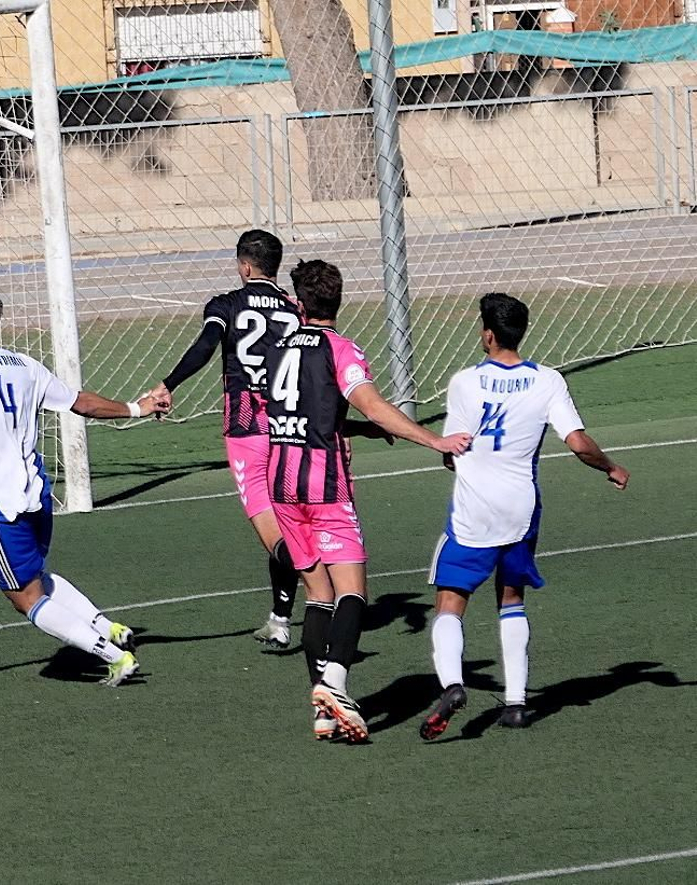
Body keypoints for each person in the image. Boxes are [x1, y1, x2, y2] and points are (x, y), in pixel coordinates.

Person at [0, 284, 165, 686]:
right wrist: (137, 406)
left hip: (2, 503)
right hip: (38, 497)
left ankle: (114, 655)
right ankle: (107, 627)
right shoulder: (25, 365)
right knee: (36, 576)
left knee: (24, 597)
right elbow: (81, 402)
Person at [264, 261, 470, 742]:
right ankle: (334, 684)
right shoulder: (341, 349)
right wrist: (433, 440)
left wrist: (359, 429)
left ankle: (321, 709)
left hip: (281, 484)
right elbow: (371, 402)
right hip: (325, 486)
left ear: (298, 304)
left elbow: (306, 412)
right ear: (339, 302)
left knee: (317, 595)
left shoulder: (277, 351)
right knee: (353, 591)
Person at [419, 293, 629, 740]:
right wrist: (610, 467)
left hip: (474, 511)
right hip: (521, 507)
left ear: (489, 334)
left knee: (450, 600)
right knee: (511, 597)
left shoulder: (463, 383)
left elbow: (451, 452)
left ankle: (453, 684)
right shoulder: (547, 380)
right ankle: (516, 705)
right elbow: (577, 442)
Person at [148, 230, 304, 650]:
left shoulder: (227, 305)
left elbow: (204, 346)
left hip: (248, 430)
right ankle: (280, 618)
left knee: (277, 537)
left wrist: (169, 383)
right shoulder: (296, 308)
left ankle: (318, 575)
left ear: (244, 266)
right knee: (289, 525)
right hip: (292, 429)